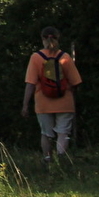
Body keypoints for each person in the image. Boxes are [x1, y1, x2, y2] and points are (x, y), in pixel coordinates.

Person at [22, 26, 81, 163]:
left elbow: (30, 83)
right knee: (63, 133)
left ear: (42, 39)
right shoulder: (65, 57)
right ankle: (61, 160)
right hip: (65, 102)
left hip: (43, 102)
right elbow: (75, 81)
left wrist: (25, 105)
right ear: (58, 38)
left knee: (46, 134)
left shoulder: (36, 57)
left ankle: (47, 159)